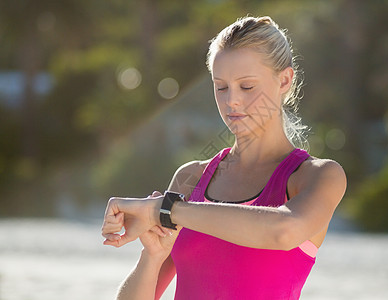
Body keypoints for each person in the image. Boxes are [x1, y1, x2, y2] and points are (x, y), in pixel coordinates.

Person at [102, 16, 346, 300]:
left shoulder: (317, 176)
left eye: (246, 86)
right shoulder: (189, 179)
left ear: (284, 80)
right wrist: (152, 255)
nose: (232, 101)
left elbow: (284, 231)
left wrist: (166, 210)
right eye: (221, 86)